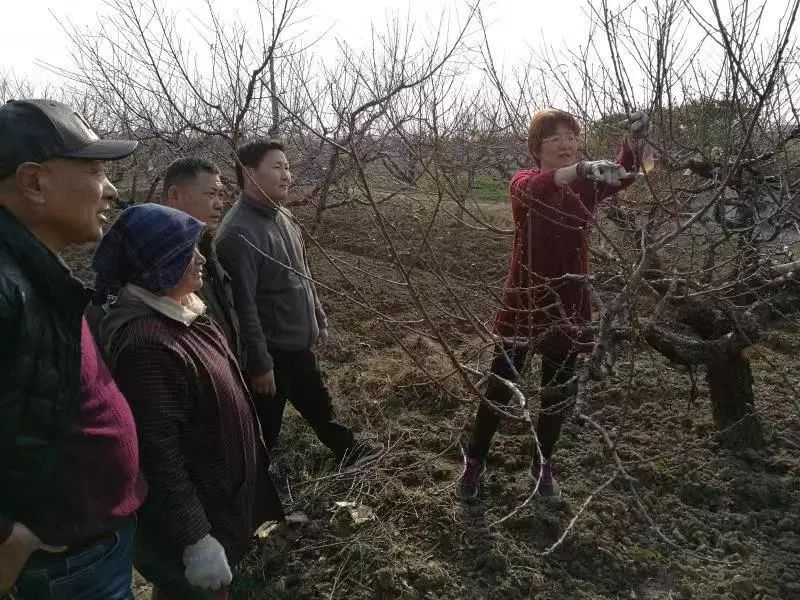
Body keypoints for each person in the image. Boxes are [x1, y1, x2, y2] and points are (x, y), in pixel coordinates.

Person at [93, 204, 284, 600]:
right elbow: (159, 455)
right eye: (185, 252)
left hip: (220, 506)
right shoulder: (147, 343)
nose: (200, 259)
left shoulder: (189, 313)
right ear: (156, 264)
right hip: (197, 525)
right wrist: (196, 539)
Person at [457, 108, 650, 499]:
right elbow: (540, 189)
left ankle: (543, 467)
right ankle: (474, 461)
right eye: (557, 137)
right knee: (499, 386)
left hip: (569, 302)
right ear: (536, 147)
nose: (567, 143)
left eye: (572, 136)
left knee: (556, 393)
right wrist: (580, 171)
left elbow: (623, 174)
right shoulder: (523, 182)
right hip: (525, 302)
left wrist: (633, 142)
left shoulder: (587, 183)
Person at [0, 99, 146, 599]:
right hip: (62, 569)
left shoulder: (33, 269)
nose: (109, 190)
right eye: (97, 170)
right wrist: (6, 539)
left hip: (87, 552)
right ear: (35, 182)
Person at [215, 139, 381, 467]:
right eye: (277, 167)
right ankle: (250, 490)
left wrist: (317, 314)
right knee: (264, 429)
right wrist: (260, 364)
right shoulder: (237, 235)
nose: (287, 175)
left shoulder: (286, 217)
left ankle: (348, 450)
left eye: (287, 167)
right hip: (271, 354)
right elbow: (243, 307)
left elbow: (302, 274)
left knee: (319, 402)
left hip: (296, 344)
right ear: (249, 174)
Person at [159, 157, 241, 358]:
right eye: (211, 194)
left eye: (220, 195)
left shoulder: (206, 246)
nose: (220, 204)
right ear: (174, 195)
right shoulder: (158, 261)